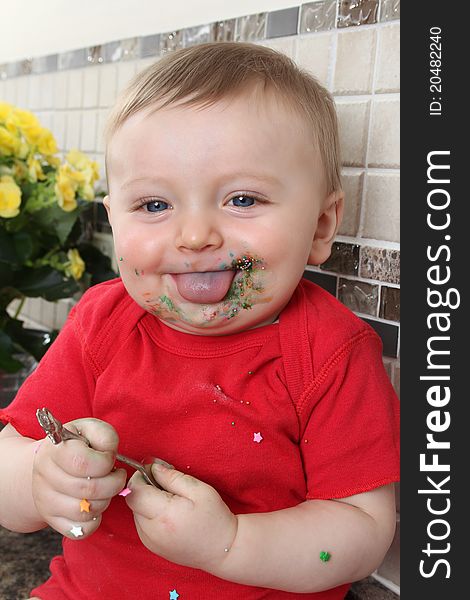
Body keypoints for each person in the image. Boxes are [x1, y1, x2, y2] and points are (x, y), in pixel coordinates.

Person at [0, 42, 399, 599]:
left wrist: (229, 544)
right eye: (155, 206)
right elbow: (7, 480)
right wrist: (43, 477)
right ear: (114, 221)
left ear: (320, 226)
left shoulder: (331, 350)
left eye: (241, 199)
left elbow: (362, 532)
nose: (194, 236)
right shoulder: (102, 323)